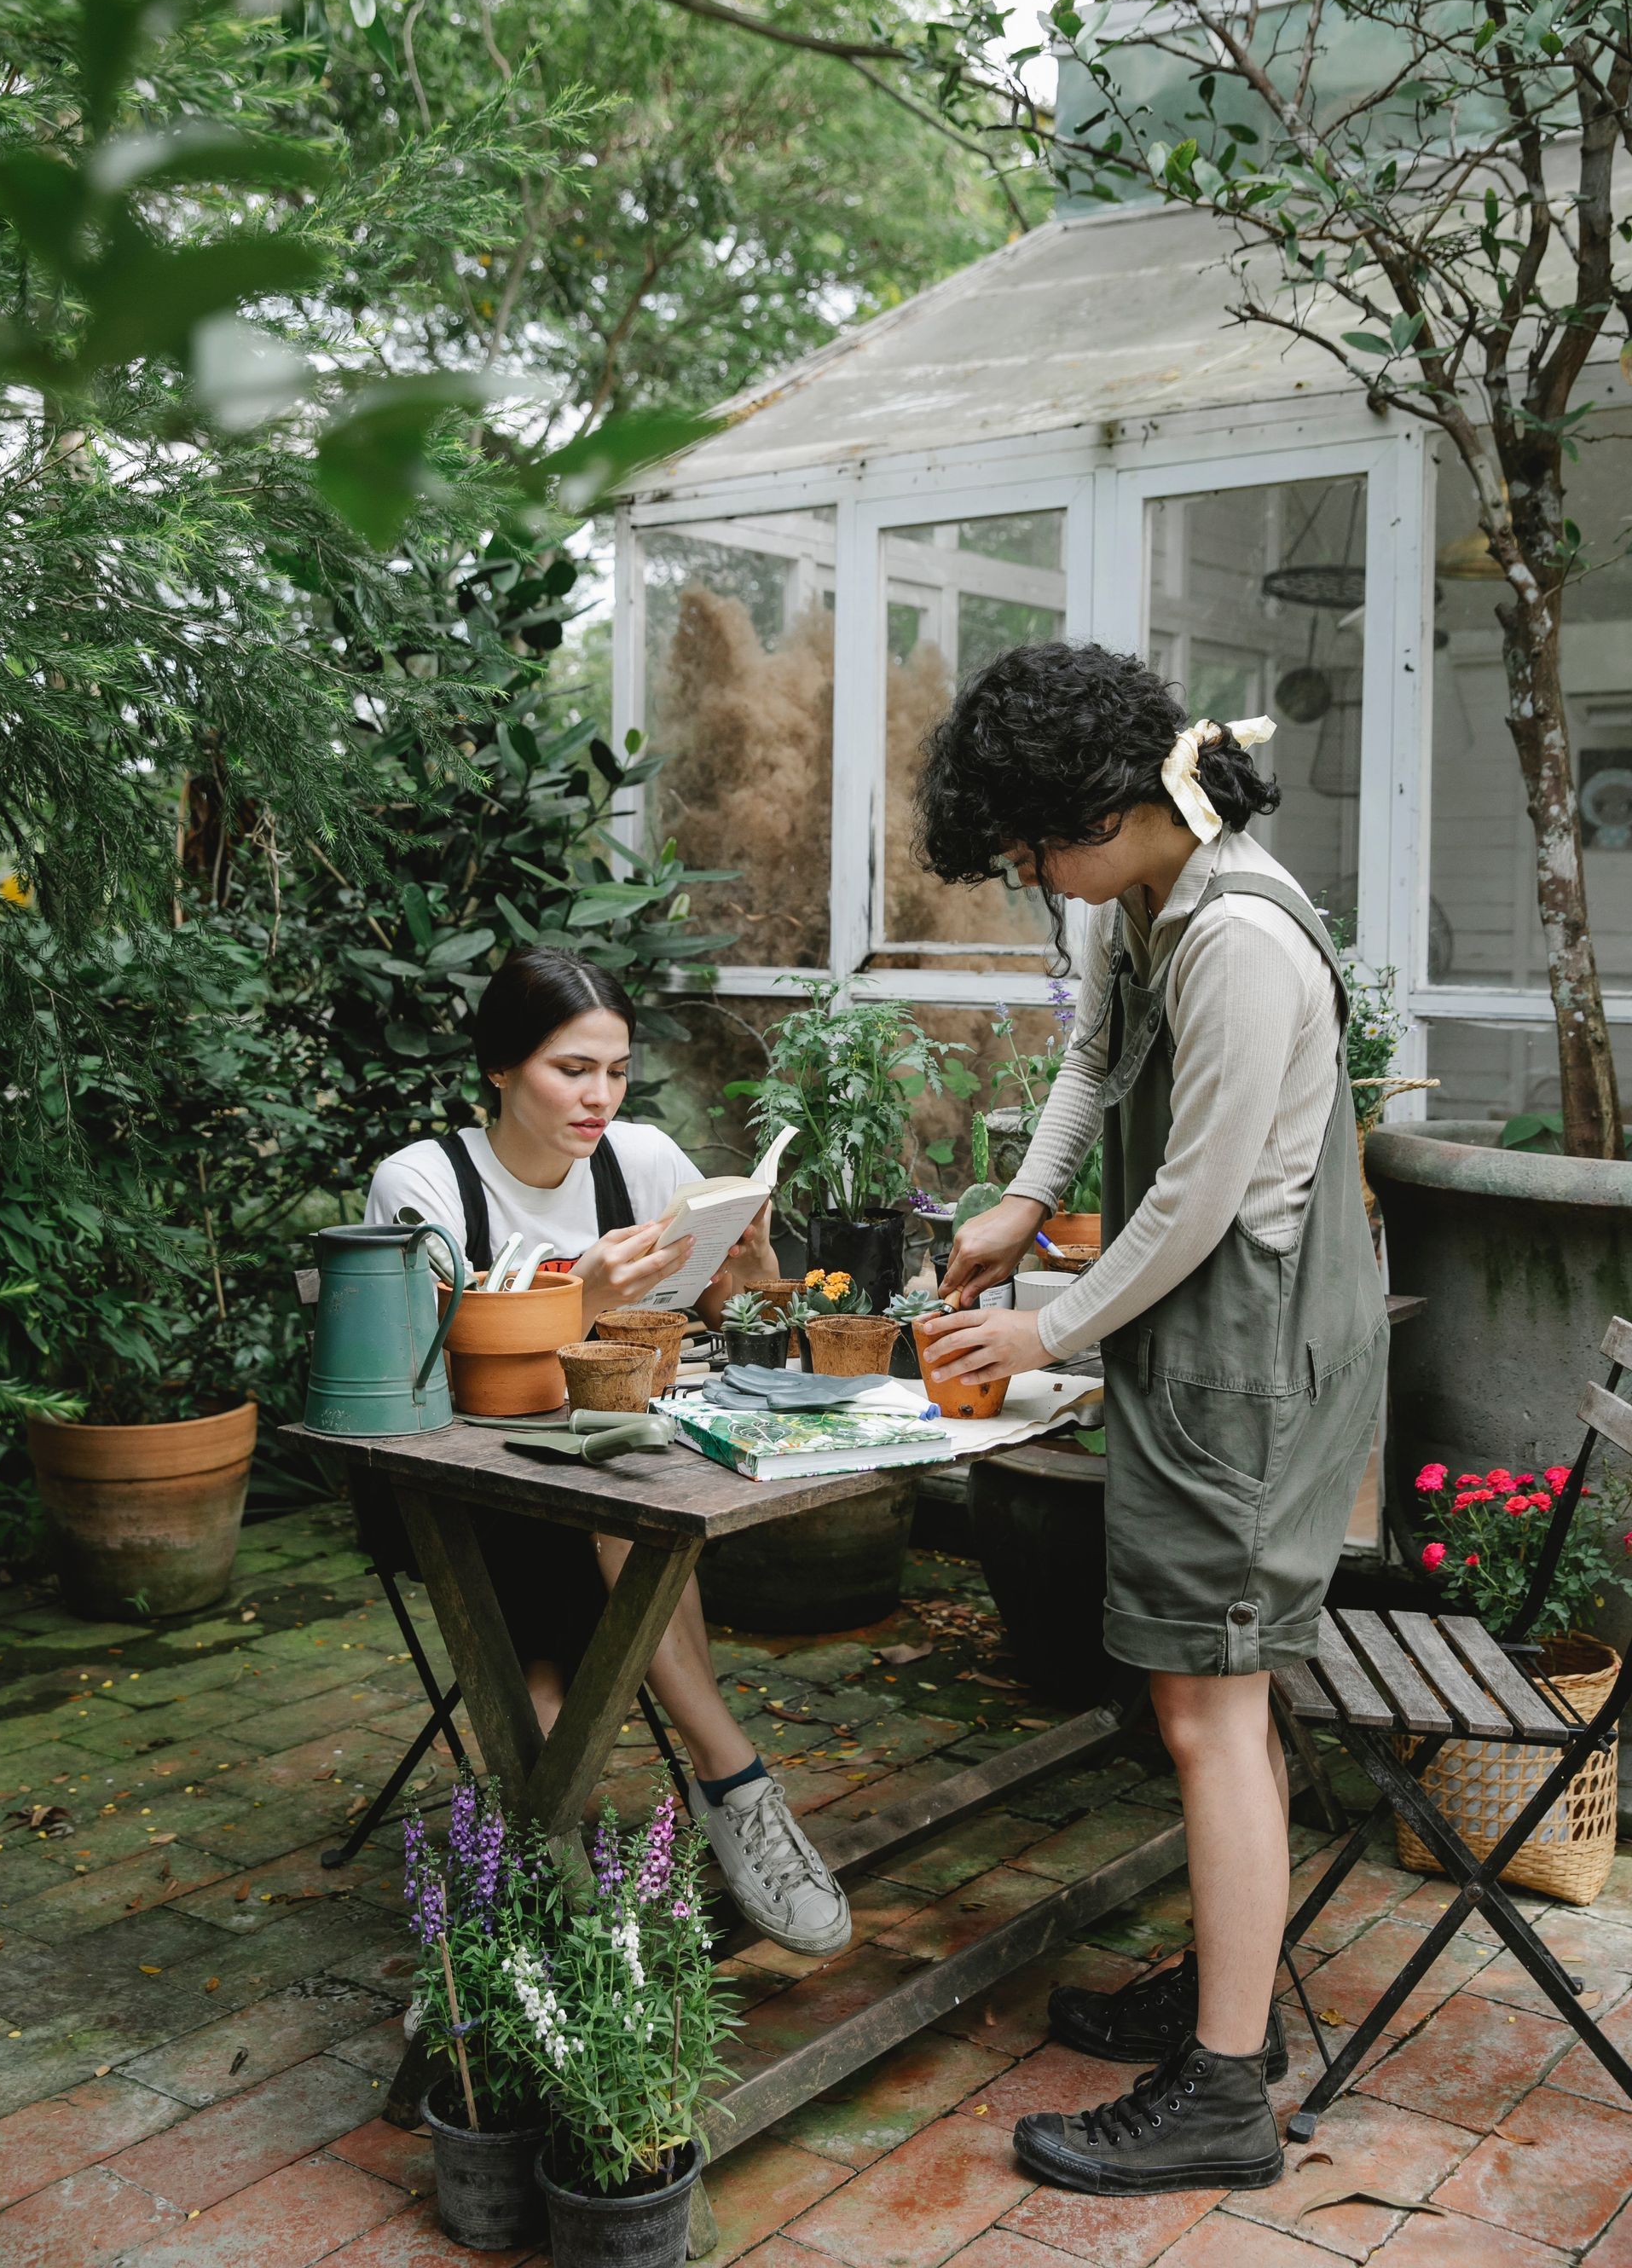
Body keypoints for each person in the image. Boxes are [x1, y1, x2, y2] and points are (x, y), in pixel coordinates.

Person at [915, 644, 1386, 2197]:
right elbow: (1093, 1065)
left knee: (1215, 1709)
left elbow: (1192, 1202)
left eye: (1038, 850)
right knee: (1205, 1697)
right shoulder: (1149, 899)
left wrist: (1046, 1321)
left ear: (1115, 806)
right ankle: (1222, 1991)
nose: (1036, 878)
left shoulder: (1239, 939)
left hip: (1244, 1354)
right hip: (1198, 1347)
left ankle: (1224, 2094)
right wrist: (1024, 1201)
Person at [366, 946, 850, 1960]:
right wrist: (577, 1296)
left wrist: (752, 1256)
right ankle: (735, 1789)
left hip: (618, 1461)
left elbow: (730, 1315)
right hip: (461, 1484)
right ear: (500, 1067)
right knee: (628, 1520)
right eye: (571, 1069)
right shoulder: (426, 1182)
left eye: (617, 1070)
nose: (600, 1096)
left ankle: (557, 1872)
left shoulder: (643, 1162)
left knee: (617, 1547)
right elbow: (421, 1370)